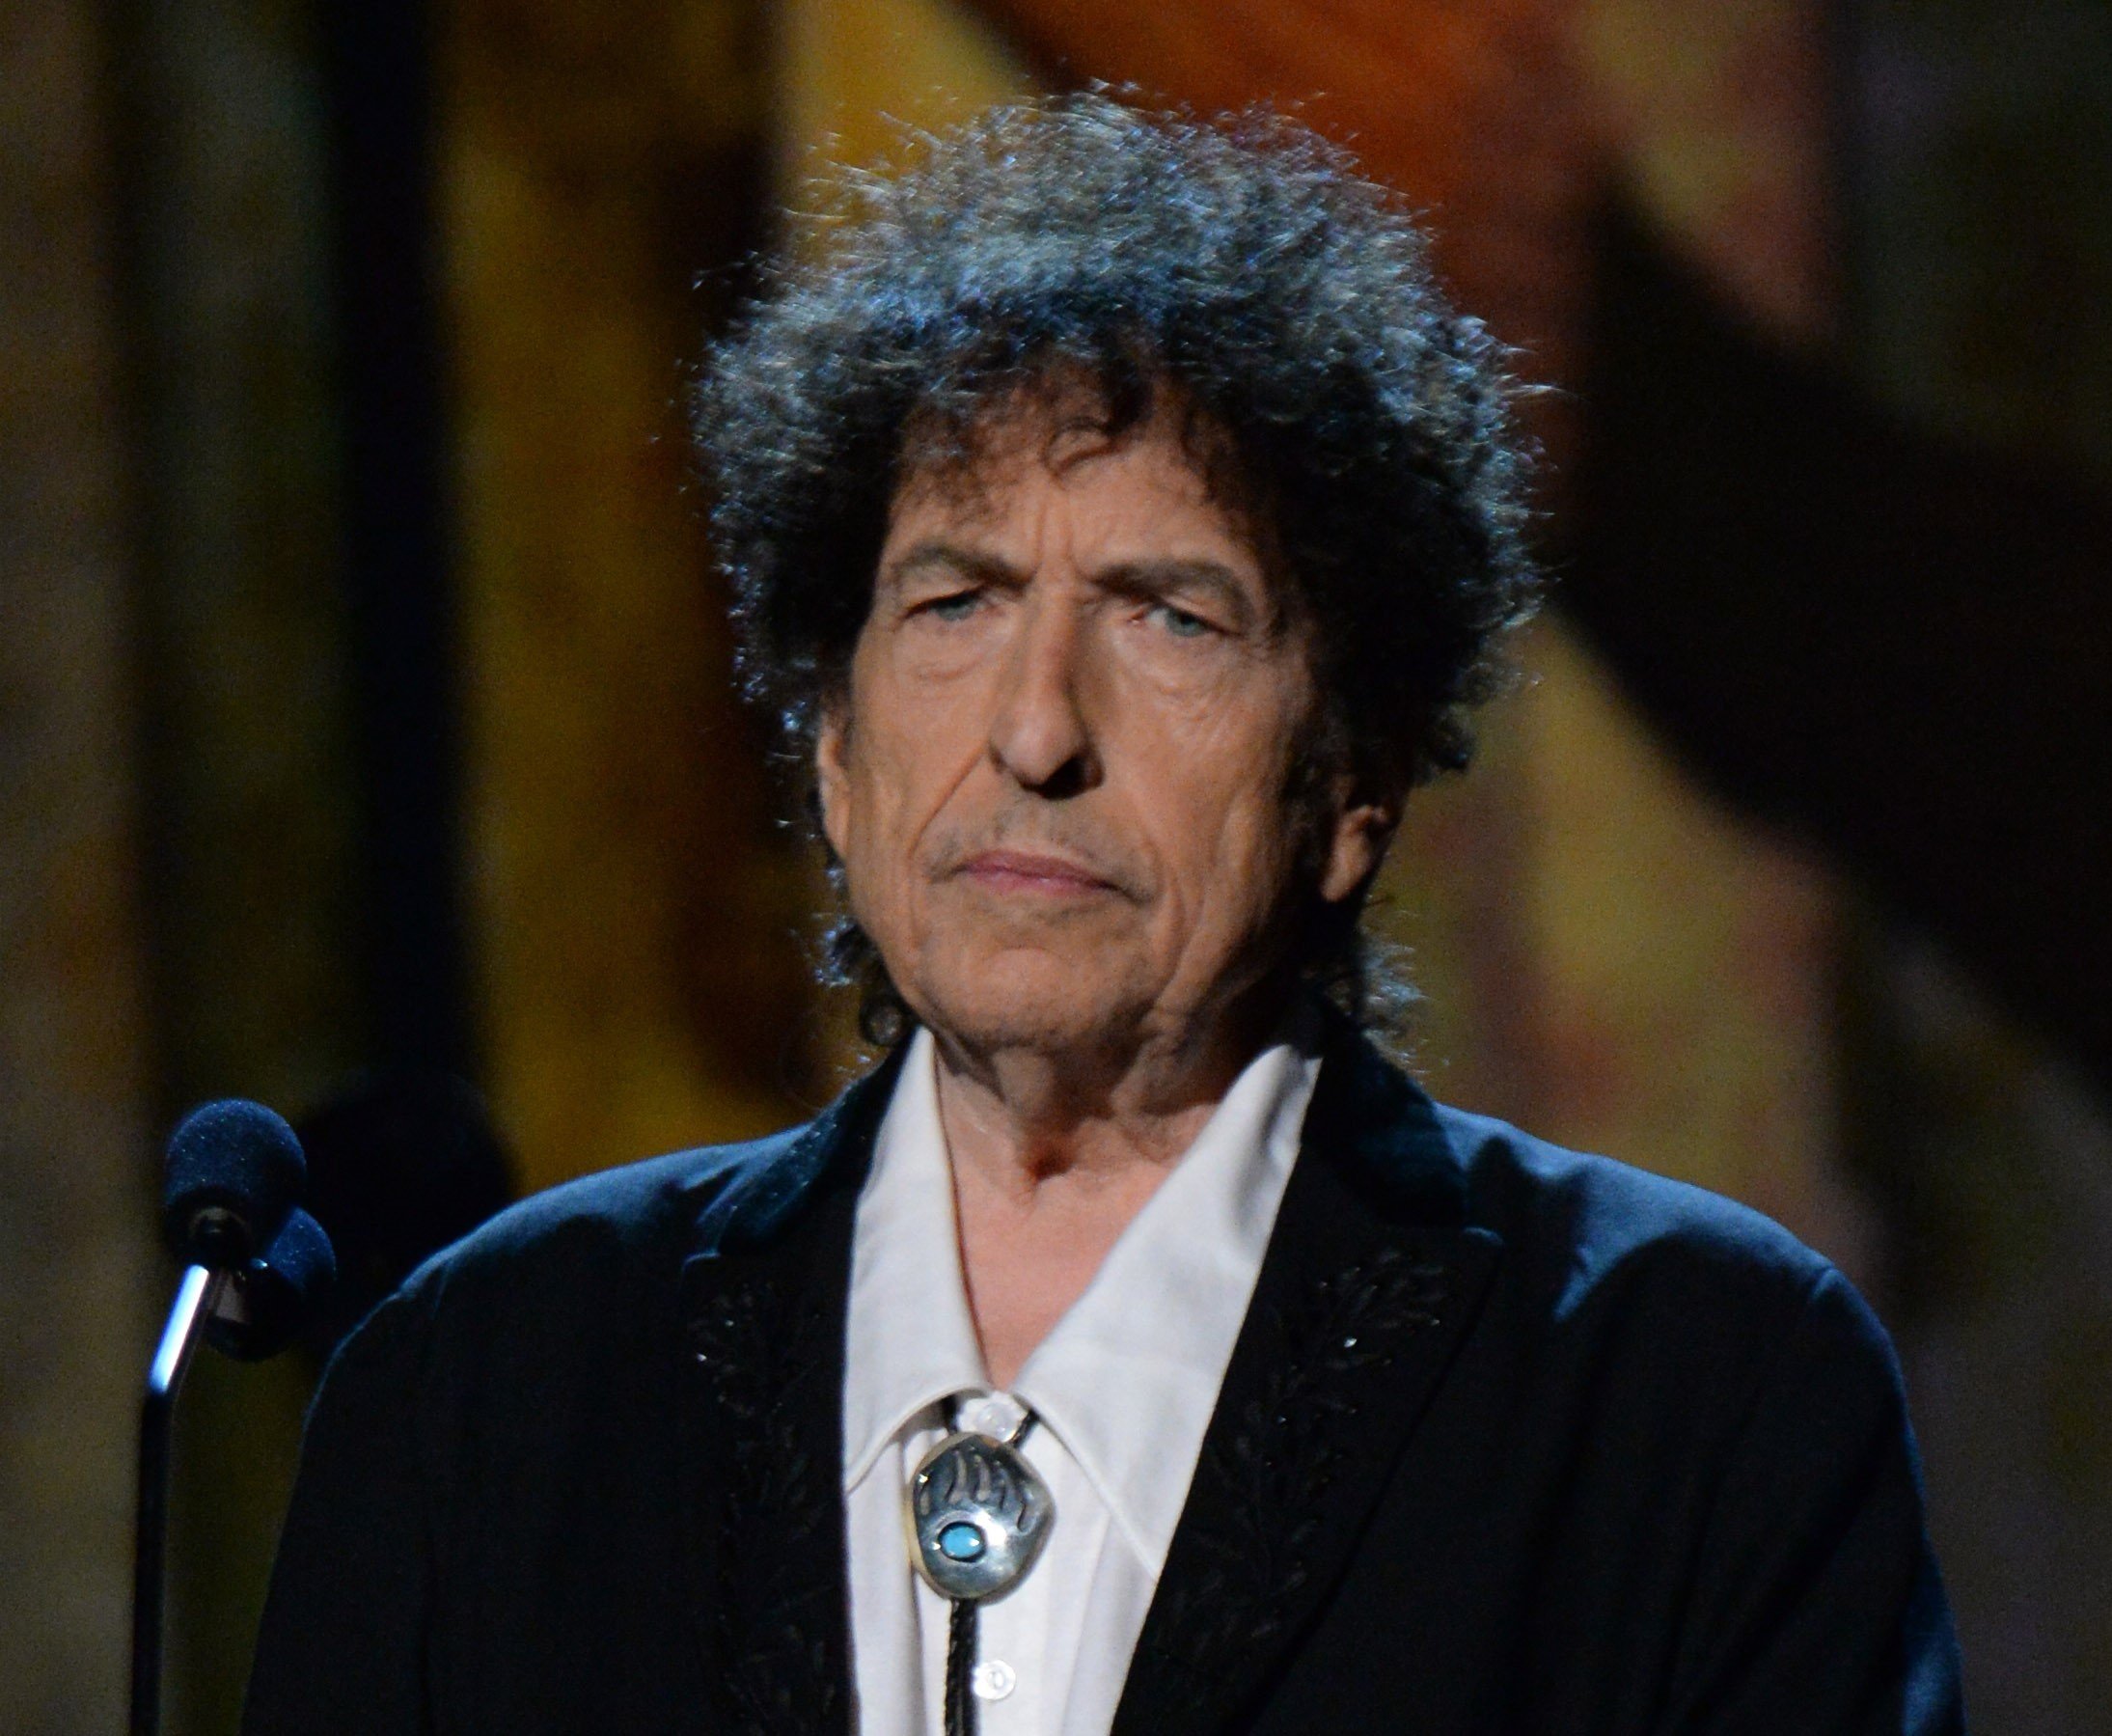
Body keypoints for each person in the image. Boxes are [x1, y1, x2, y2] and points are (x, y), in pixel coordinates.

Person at [244, 95, 1963, 1734]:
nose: (1034, 728)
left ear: (1354, 783)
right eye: (953, 600)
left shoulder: (1684, 1389)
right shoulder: (491, 1388)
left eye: (1168, 617)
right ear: (836, 752)